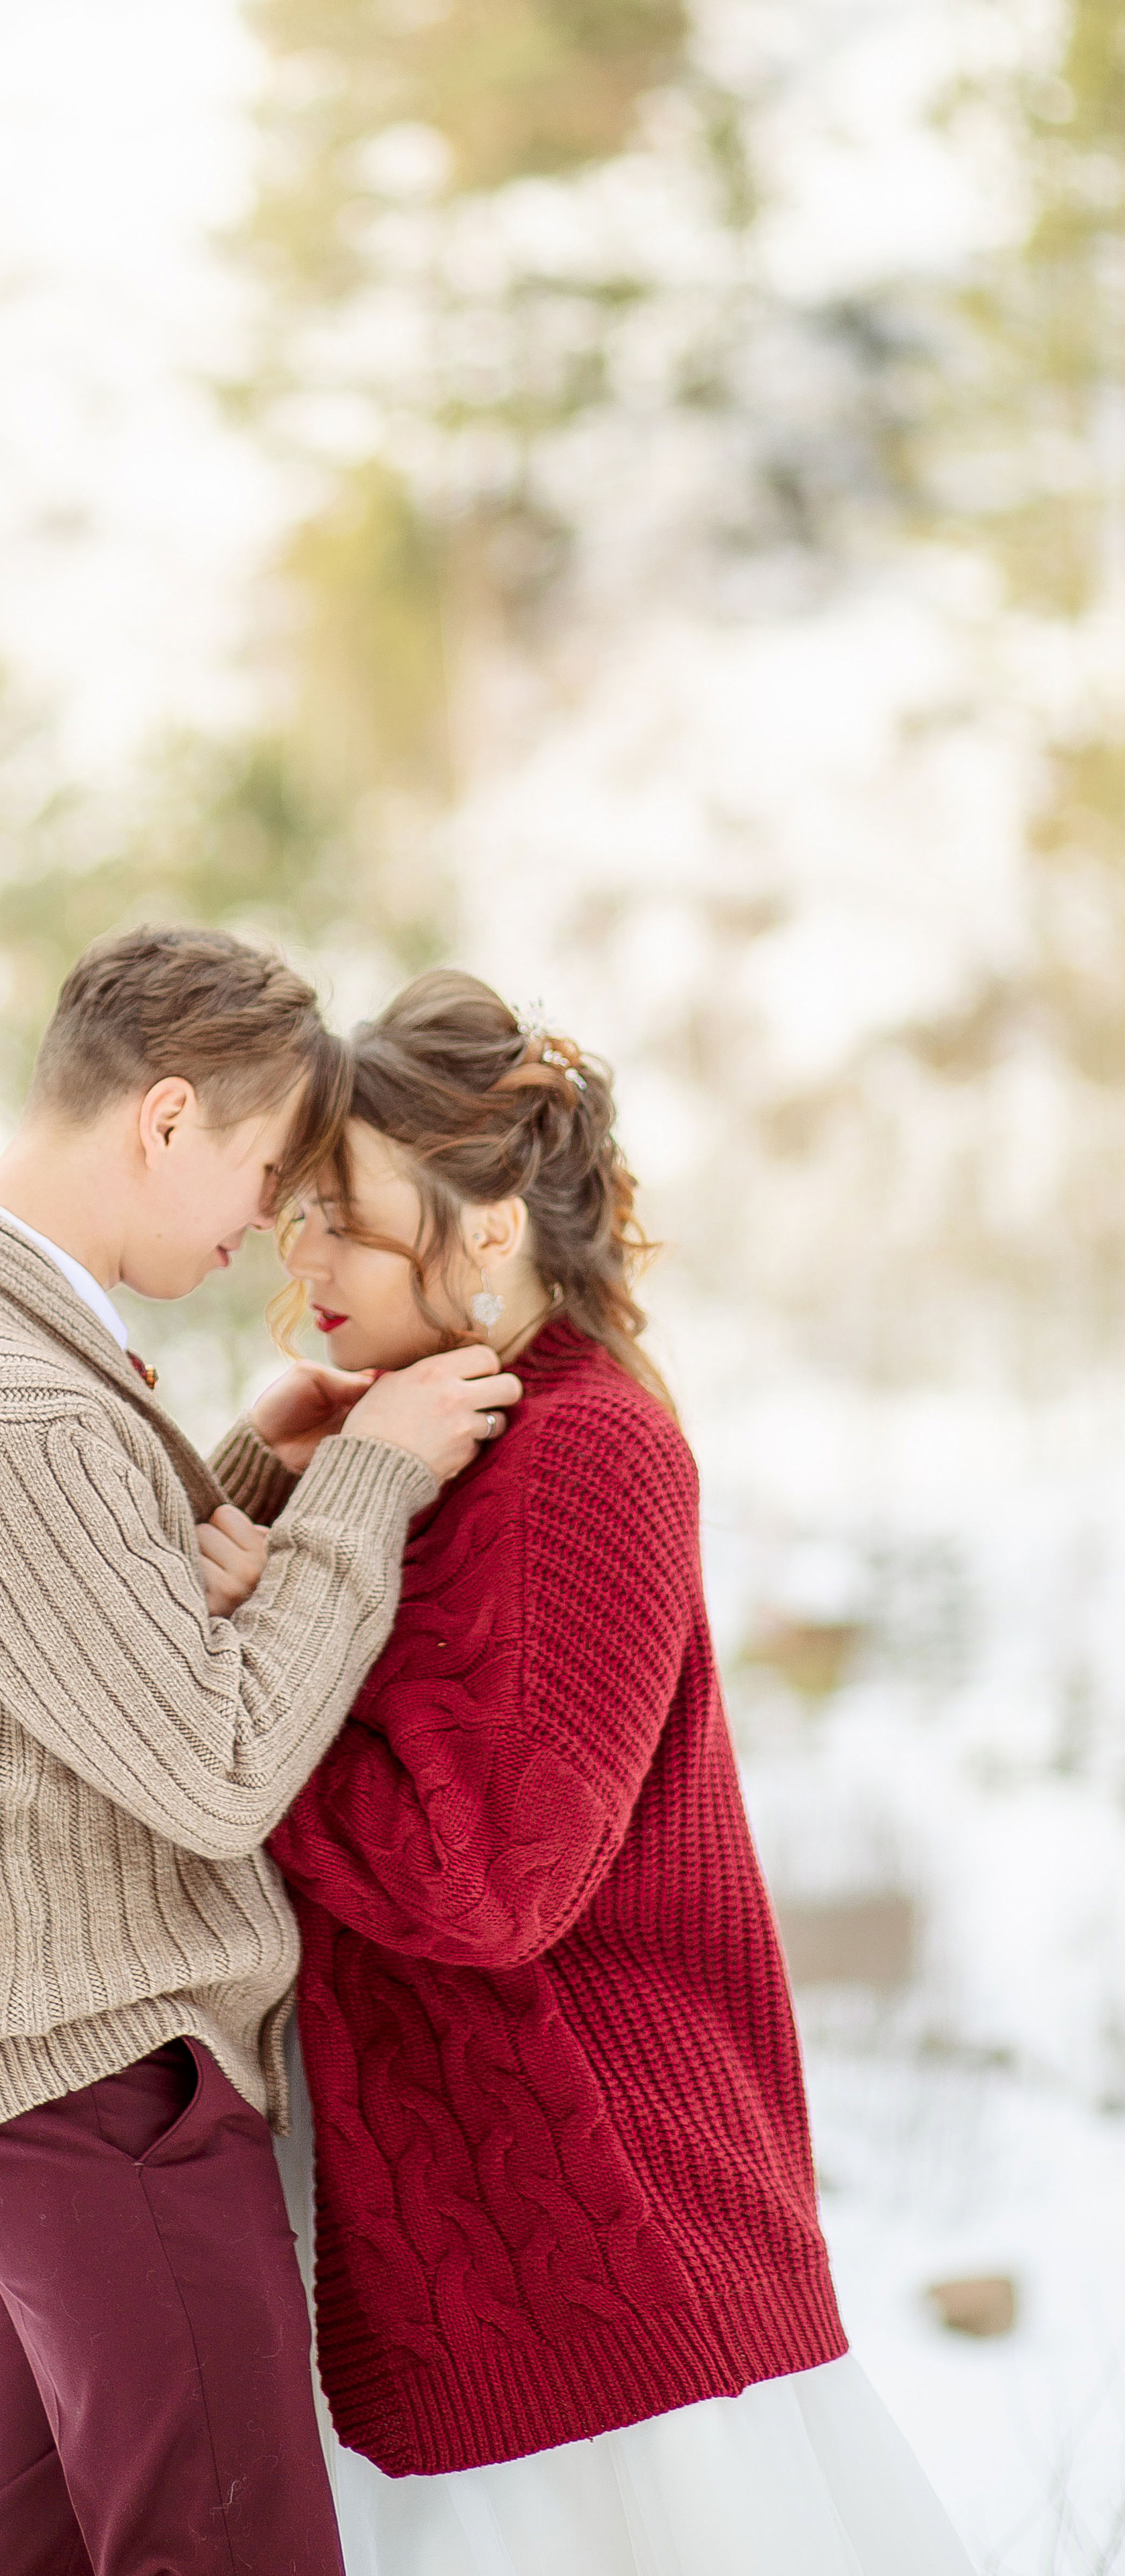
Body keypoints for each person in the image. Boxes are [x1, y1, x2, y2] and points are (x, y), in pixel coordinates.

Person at [0, 925, 524, 2576]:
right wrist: (369, 1483)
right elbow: (214, 1763)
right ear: (166, 1118)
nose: (266, 1225)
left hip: (34, 2073)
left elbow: (60, 1644)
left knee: (40, 2556)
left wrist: (242, 1475)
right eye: (262, 1173)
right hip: (108, 2081)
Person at [244, 969, 976, 2575]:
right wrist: (296, 1502)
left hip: (597, 2216)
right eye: (295, 1217)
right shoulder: (426, 1440)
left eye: (344, 1221)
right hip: (459, 2212)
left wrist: (248, 1694)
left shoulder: (587, 1453)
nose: (302, 1260)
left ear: (489, 1224)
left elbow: (481, 1883)